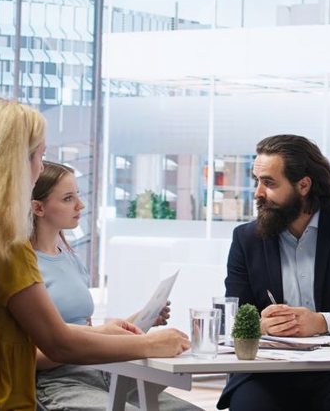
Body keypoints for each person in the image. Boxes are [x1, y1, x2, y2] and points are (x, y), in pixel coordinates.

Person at [0, 98, 190, 411]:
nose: (40, 169)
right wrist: (150, 343)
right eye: (40, 156)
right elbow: (58, 344)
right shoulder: (2, 246)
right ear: (15, 165)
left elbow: (4, 329)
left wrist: (104, 331)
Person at [218, 134, 330, 411]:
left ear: (303, 185)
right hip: (265, 371)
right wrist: (260, 325)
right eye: (257, 181)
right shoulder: (246, 239)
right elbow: (230, 316)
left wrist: (322, 322)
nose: (258, 193)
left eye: (269, 183)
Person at [30, 161, 202, 411]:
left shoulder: (70, 258)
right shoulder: (25, 267)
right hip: (59, 381)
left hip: (103, 371)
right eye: (68, 199)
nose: (80, 205)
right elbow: (34, 354)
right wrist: (139, 344)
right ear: (38, 207)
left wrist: (139, 320)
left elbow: (87, 331)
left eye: (77, 195)